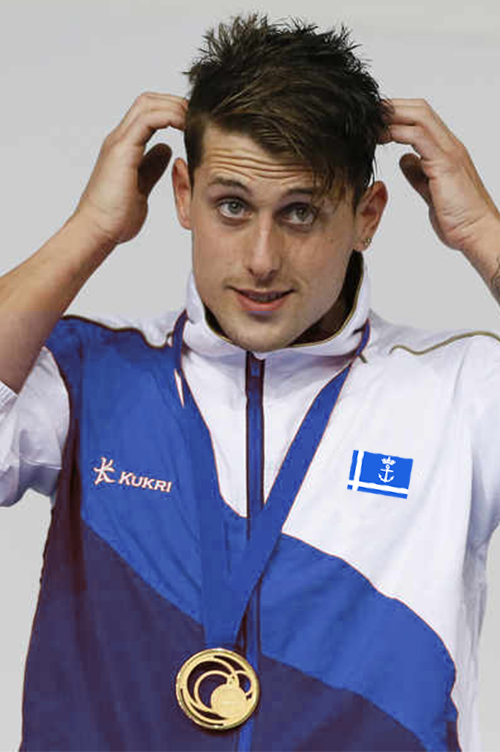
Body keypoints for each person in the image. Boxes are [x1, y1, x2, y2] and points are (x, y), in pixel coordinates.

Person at [1, 12, 499, 752]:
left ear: (366, 216)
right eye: (232, 206)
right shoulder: (85, 371)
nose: (262, 259)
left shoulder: (459, 392)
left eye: (300, 213)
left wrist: (484, 231)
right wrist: (89, 229)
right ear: (183, 195)